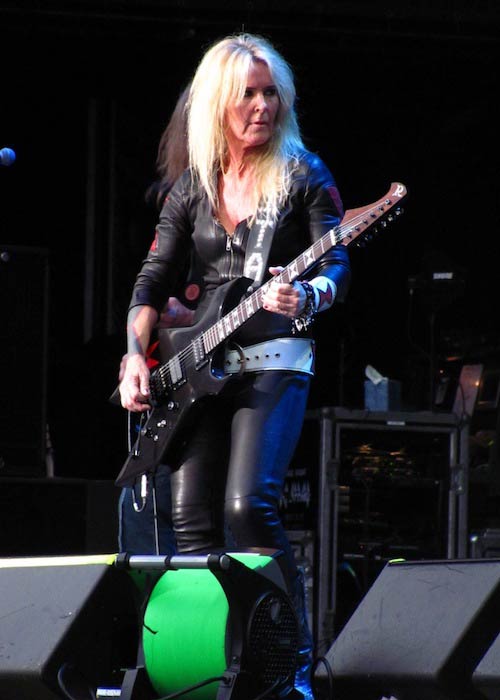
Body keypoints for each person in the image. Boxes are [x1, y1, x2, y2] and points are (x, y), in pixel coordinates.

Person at [118, 33, 351, 700]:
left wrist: (306, 293)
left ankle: (287, 674)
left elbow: (337, 261)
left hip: (275, 362)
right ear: (219, 102)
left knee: (249, 508)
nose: (260, 105)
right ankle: (196, 673)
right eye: (247, 92)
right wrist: (136, 357)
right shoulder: (194, 186)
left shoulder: (304, 173)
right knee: (191, 525)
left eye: (271, 91)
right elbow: (151, 283)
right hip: (200, 375)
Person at [118, 83, 194, 556]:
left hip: (219, 384)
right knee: (144, 515)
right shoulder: (172, 202)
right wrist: (134, 354)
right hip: (165, 386)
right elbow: (146, 292)